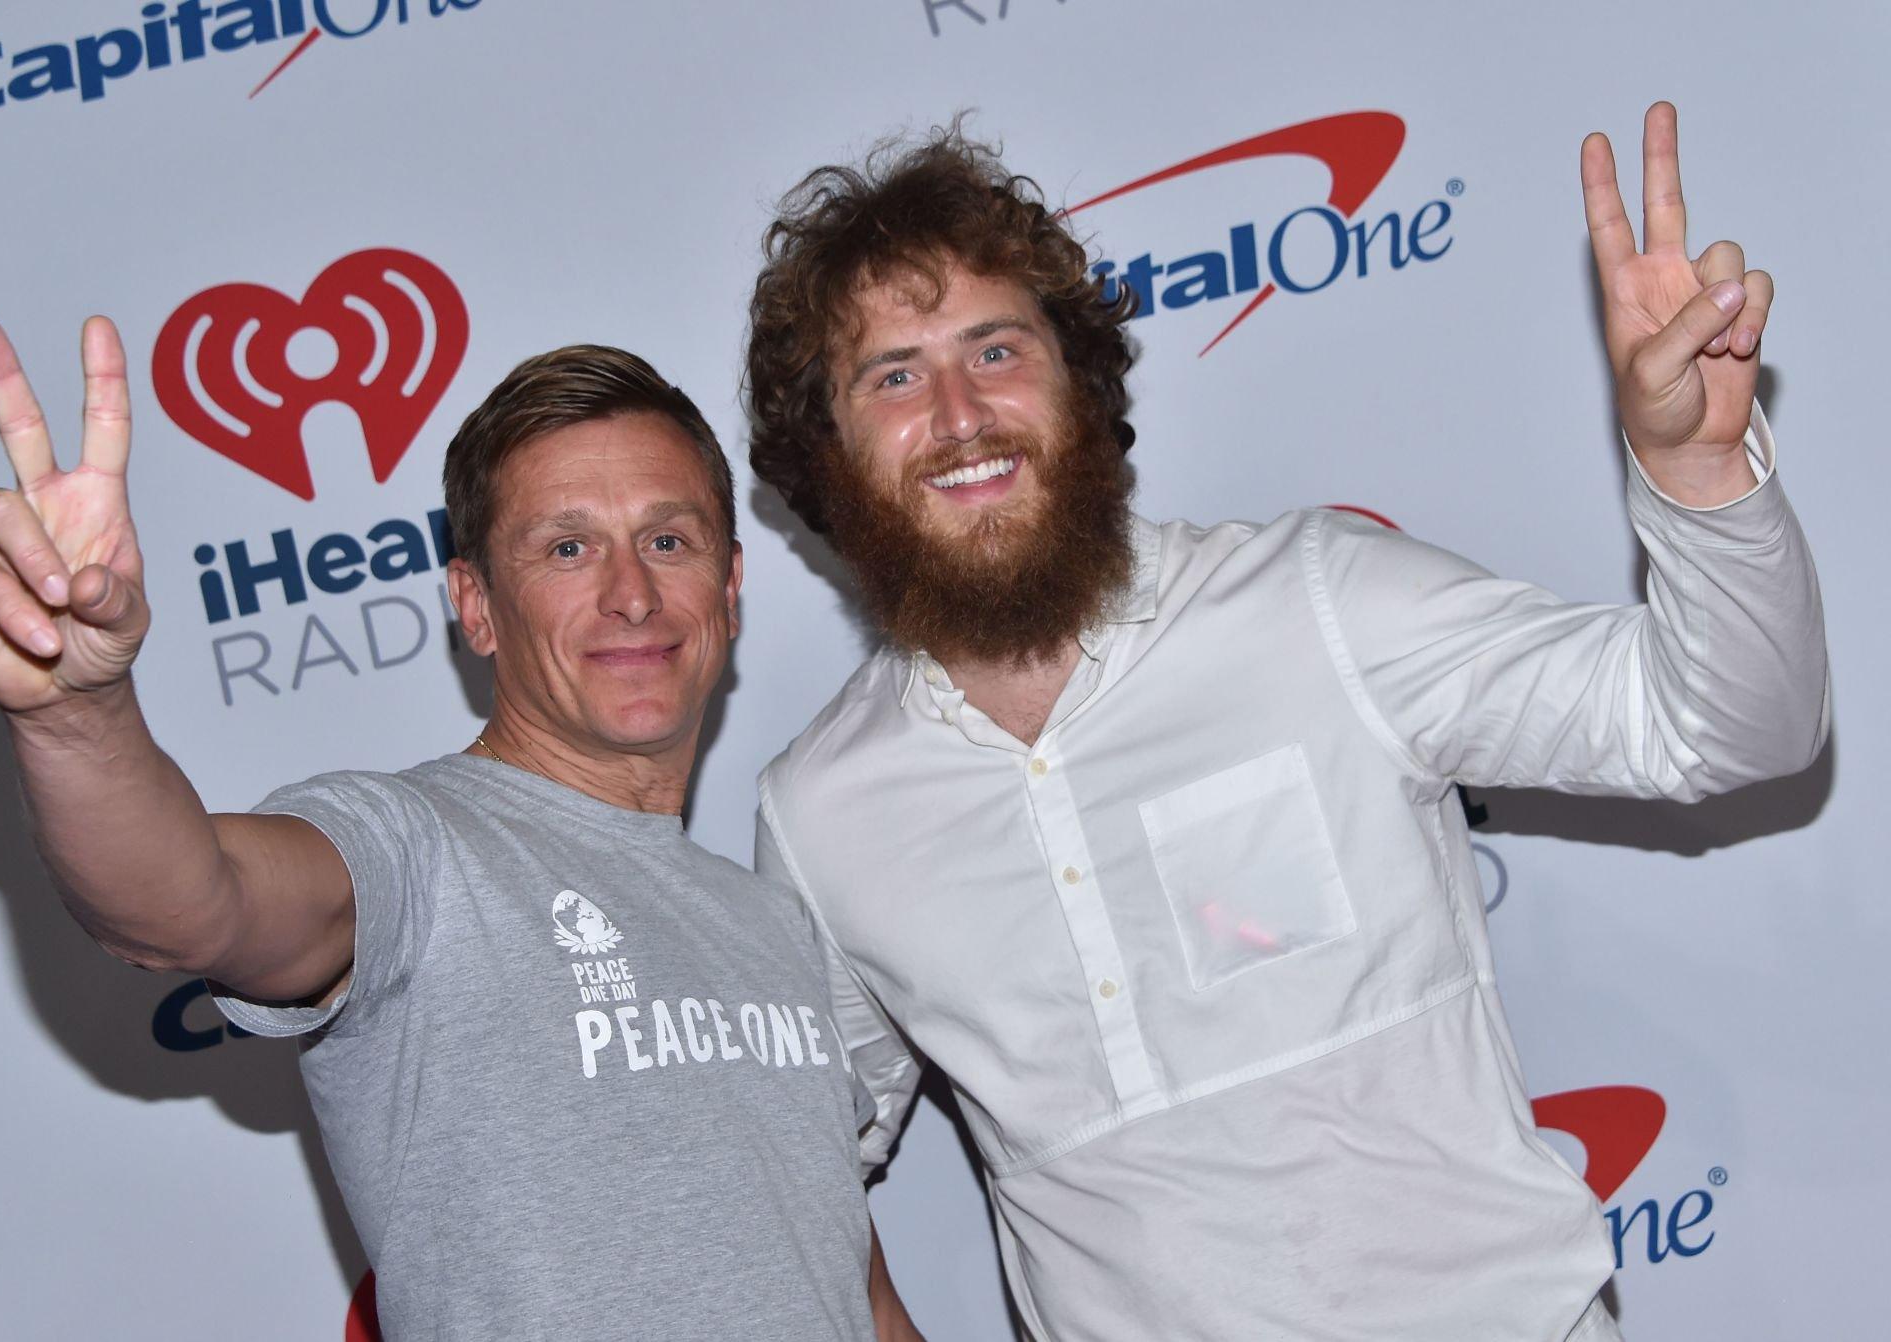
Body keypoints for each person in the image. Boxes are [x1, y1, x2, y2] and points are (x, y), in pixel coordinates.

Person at [743, 104, 1828, 1341]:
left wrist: (1695, 473)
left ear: (1078, 384)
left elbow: (1725, 727)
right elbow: (778, 1158)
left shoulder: (1313, 602)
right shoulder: (822, 812)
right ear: (824, 457)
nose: (958, 412)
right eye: (892, 375)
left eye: (996, 349)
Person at [0, 330, 922, 1340]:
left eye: (667, 541)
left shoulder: (770, 920)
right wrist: (75, 713)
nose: (631, 593)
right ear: (475, 606)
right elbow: (192, 903)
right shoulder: (415, 848)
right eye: (567, 547)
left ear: (727, 586)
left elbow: (855, 1293)